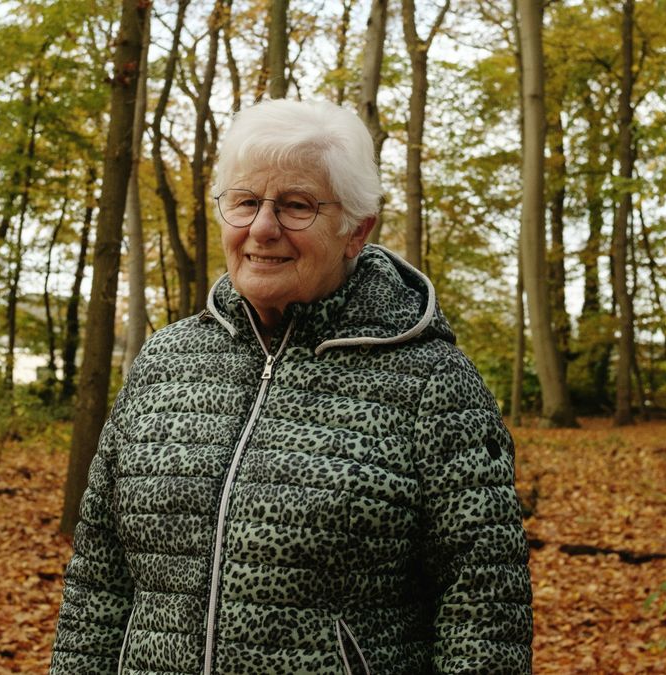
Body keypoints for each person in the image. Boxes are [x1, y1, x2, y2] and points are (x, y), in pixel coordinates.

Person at [50, 99, 532, 674]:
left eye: (296, 206)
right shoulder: (165, 361)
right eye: (245, 202)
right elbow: (99, 580)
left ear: (356, 230)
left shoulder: (431, 381)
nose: (262, 228)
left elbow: (484, 605)